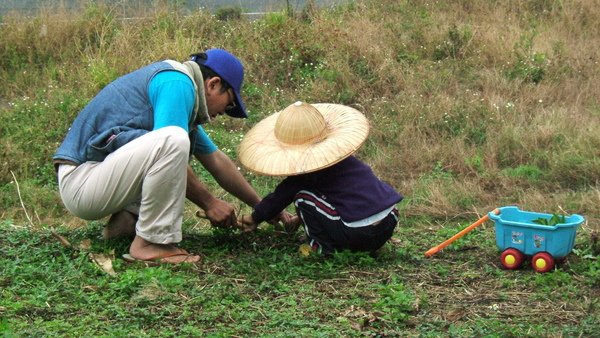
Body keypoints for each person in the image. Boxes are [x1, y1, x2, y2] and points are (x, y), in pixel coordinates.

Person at [53, 48, 286, 264]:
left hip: (98, 180)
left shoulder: (182, 98)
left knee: (173, 141)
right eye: (229, 103)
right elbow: (170, 147)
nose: (224, 113)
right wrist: (210, 203)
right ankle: (151, 242)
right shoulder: (177, 83)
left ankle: (125, 224)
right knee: (174, 140)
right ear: (214, 84)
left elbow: (216, 161)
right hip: (82, 181)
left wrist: (265, 207)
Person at [237, 101, 403, 255]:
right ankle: (372, 246)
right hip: (389, 221)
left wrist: (254, 218)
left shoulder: (306, 172)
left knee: (303, 199)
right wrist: (300, 219)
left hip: (356, 232)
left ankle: (322, 250)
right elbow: (343, 198)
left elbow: (281, 197)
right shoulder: (348, 163)